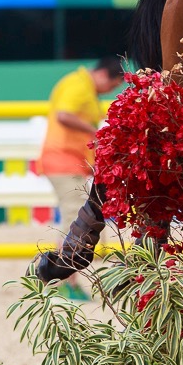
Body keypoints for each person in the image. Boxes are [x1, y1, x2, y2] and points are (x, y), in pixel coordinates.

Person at [36, 55, 125, 299]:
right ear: (105, 75)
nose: (111, 91)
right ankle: (62, 282)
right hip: (64, 162)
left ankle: (64, 280)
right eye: (115, 85)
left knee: (75, 222)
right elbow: (64, 115)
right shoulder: (79, 85)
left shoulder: (81, 85)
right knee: (73, 223)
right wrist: (94, 131)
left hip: (69, 164)